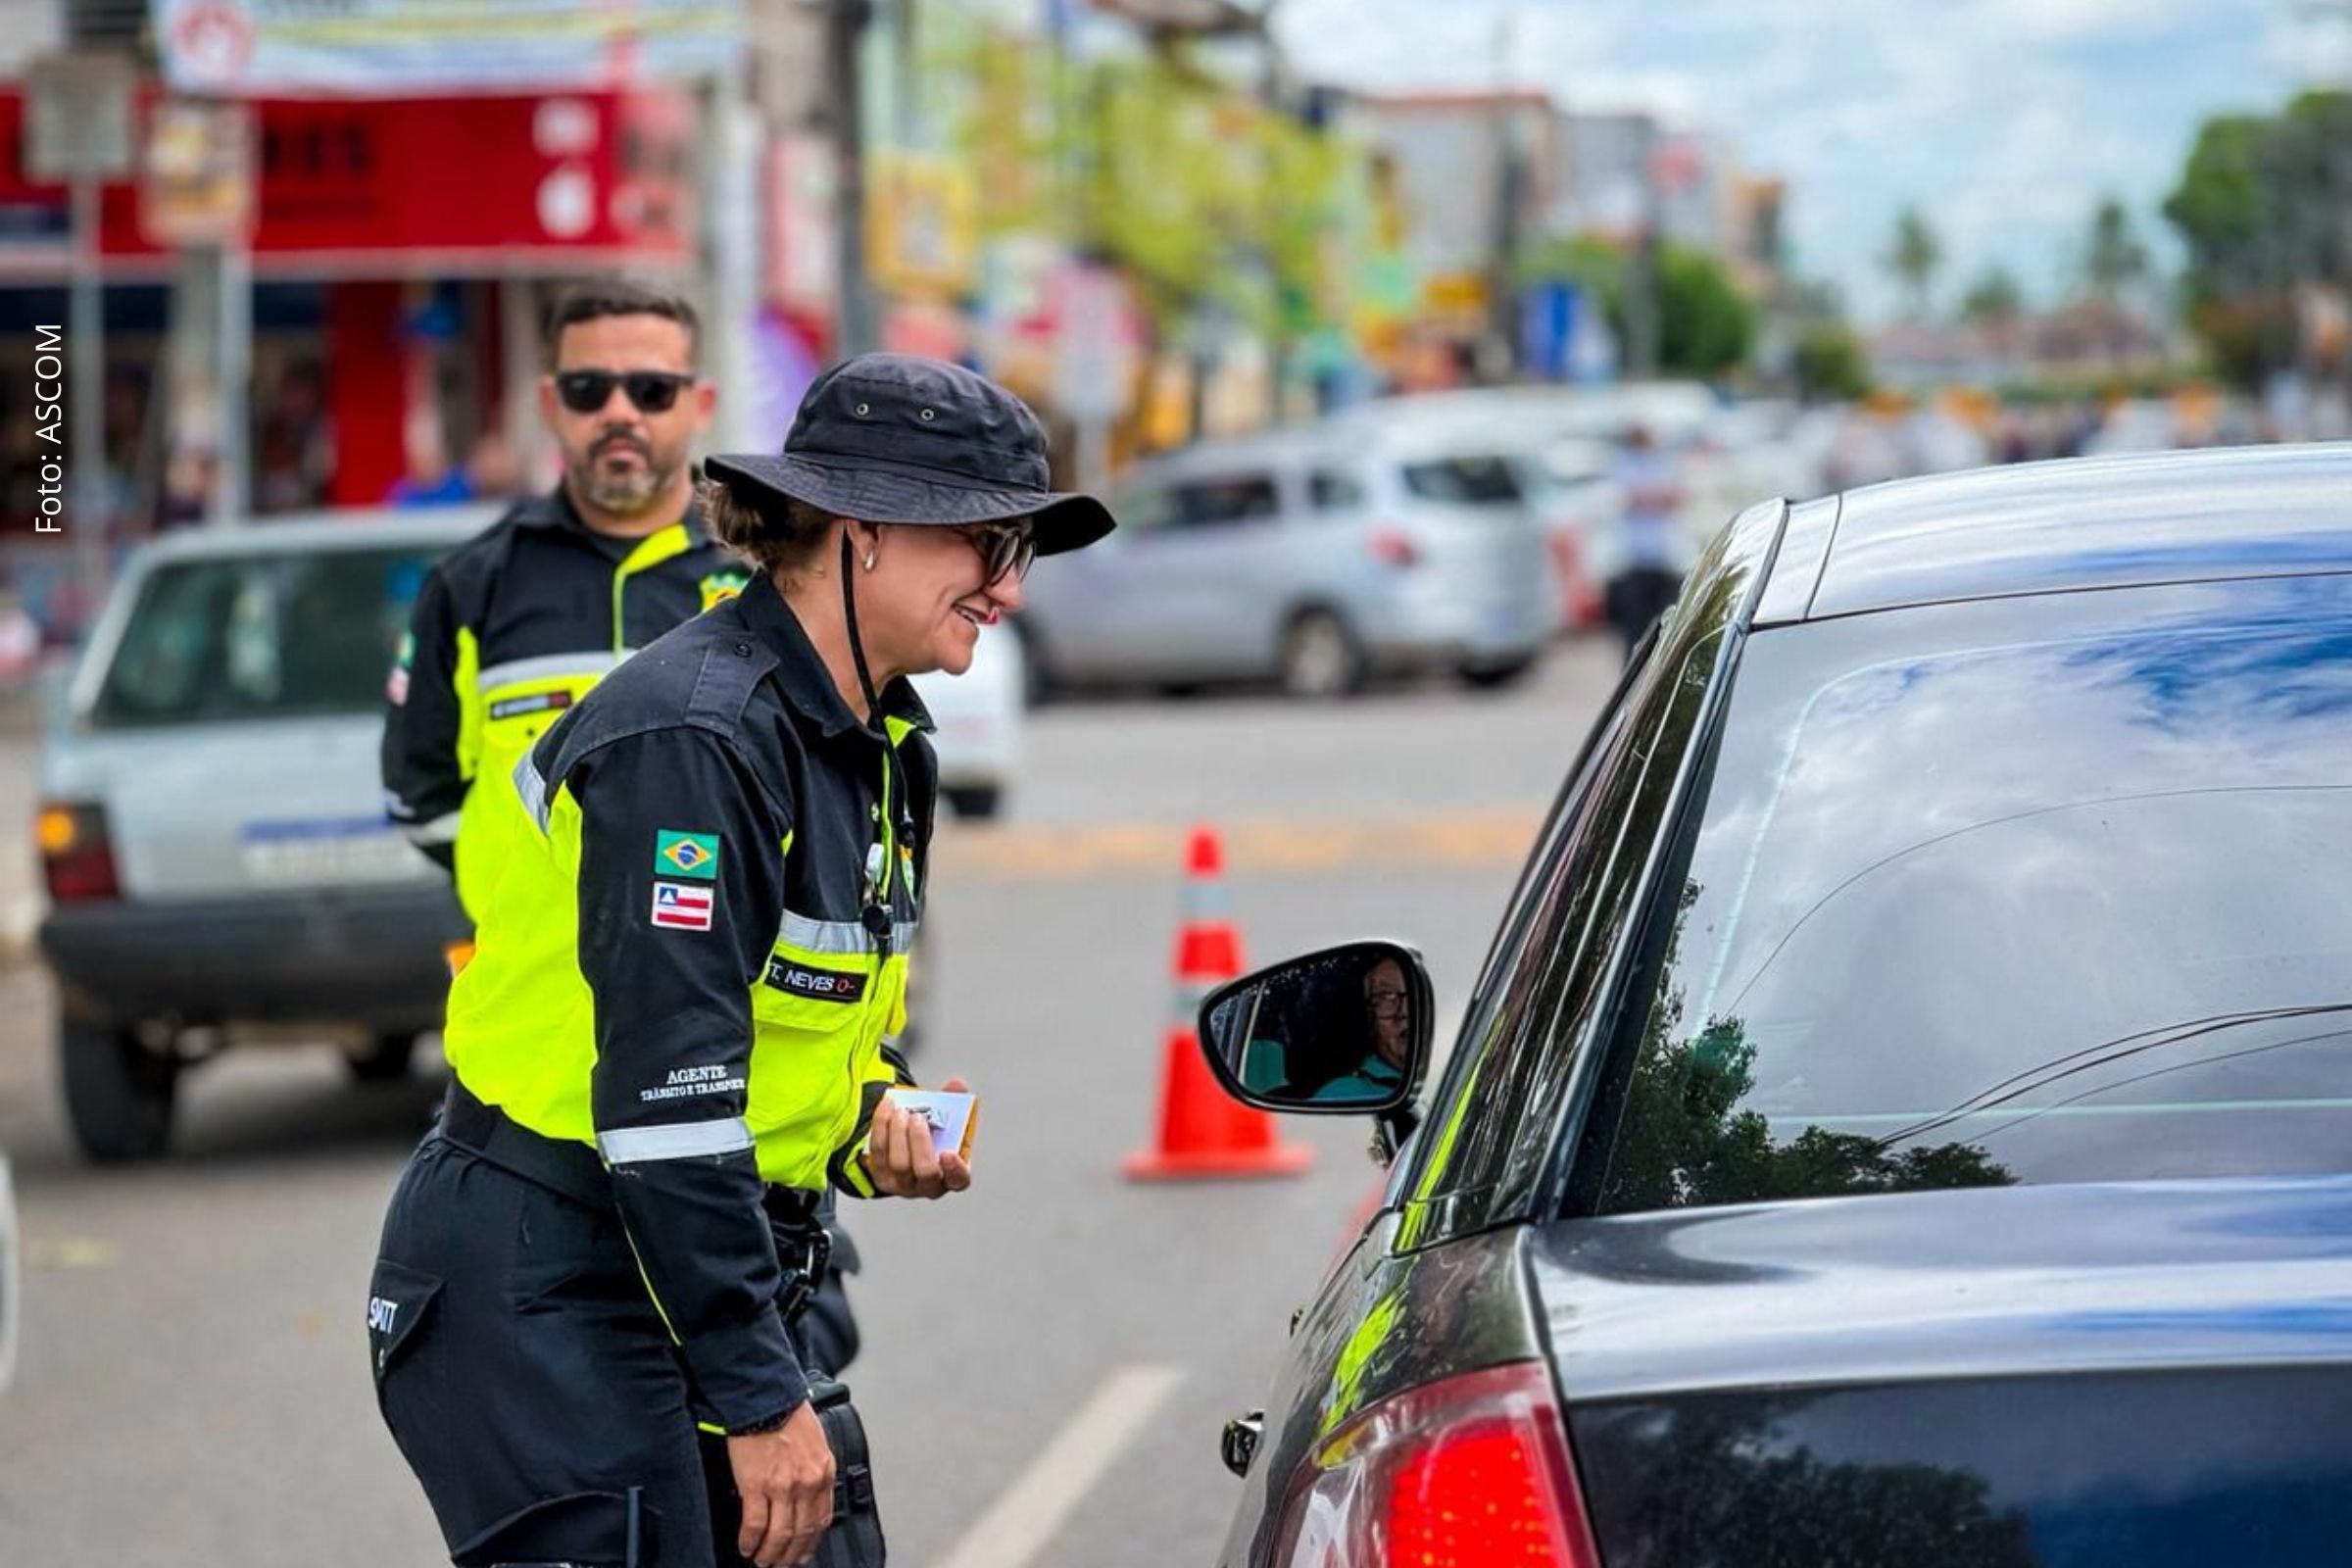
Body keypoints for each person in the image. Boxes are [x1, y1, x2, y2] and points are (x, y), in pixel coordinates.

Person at [367, 354, 1114, 1568]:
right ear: (863, 528)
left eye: (1020, 553)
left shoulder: (876, 742)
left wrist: (870, 1113)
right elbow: (667, 1102)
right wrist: (761, 1399)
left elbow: (787, 1031)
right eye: (990, 545)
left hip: (696, 1259)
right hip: (553, 1277)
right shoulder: (695, 736)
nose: (1009, 589)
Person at [381, 280, 750, 927]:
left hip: (722, 1008)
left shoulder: (765, 582)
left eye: (651, 390)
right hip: (526, 1014)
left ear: (700, 404)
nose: (619, 412)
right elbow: (419, 795)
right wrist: (513, 901)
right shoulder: (471, 587)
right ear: (551, 404)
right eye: (589, 390)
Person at [1600, 424, 1688, 662]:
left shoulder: (1660, 462)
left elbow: (1675, 496)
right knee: (1634, 628)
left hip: (1661, 557)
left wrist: (1649, 497)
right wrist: (1654, 497)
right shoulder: (1623, 463)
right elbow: (1627, 498)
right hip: (1633, 559)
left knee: (1664, 624)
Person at [1313, 956, 1412, 1103]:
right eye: (1386, 996)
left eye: (1415, 993)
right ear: (1369, 1019)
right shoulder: (1343, 1095)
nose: (1404, 1011)